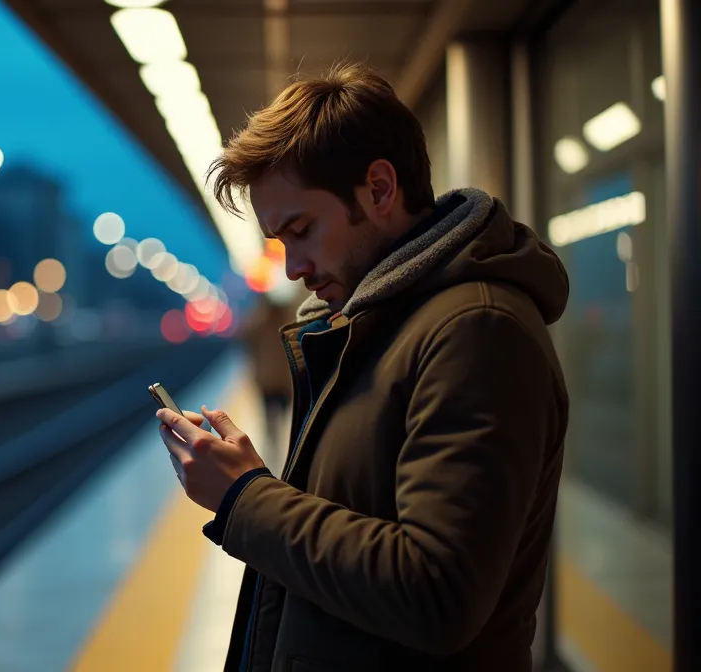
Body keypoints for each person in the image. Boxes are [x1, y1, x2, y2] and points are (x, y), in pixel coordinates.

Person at [155, 63, 569, 671]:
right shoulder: (379, 325)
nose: (293, 267)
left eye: (301, 231)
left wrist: (245, 497)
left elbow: (436, 593)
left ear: (378, 189)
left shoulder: (476, 331)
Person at [240, 292, 299, 468]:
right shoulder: (289, 322)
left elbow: (247, 341)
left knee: (270, 420)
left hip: (266, 381)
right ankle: (286, 455)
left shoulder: (258, 322)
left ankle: (271, 453)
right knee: (287, 419)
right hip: (285, 381)